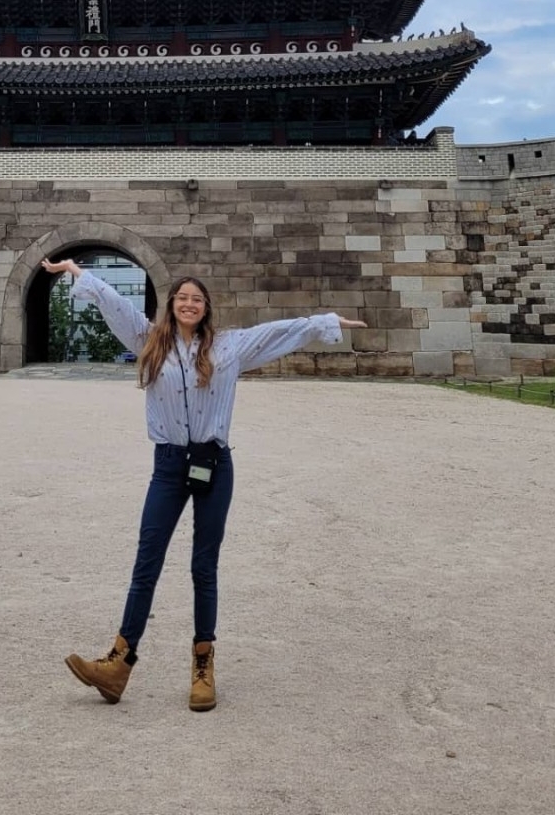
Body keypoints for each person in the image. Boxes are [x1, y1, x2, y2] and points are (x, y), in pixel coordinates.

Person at [41, 257, 366, 711]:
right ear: (171, 304)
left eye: (197, 299)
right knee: (147, 561)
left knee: (203, 567)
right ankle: (118, 663)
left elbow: (277, 332)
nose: (189, 304)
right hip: (169, 467)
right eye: (182, 298)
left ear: (206, 307)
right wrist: (80, 274)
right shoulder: (149, 340)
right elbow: (115, 304)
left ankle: (202, 666)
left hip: (215, 466)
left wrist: (326, 322)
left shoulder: (230, 348)